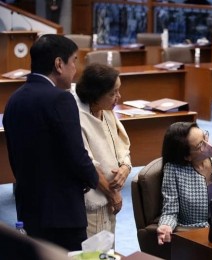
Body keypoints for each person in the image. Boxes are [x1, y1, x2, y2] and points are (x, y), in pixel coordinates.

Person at [2, 34, 98, 251]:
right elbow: (77, 154)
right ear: (58, 64)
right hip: (63, 212)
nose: (76, 68)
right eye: (74, 60)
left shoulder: (14, 99)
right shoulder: (60, 99)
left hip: (28, 207)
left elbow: (15, 158)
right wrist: (94, 181)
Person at [157, 122, 212, 245]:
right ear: (187, 156)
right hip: (195, 234)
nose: (209, 144)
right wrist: (166, 225)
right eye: (200, 145)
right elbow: (170, 211)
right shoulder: (173, 170)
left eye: (205, 136)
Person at [74, 63, 132, 238]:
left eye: (118, 91)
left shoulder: (107, 111)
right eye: (112, 93)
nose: (118, 97)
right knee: (93, 253)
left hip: (109, 199)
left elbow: (122, 147)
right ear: (95, 96)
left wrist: (125, 167)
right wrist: (113, 193)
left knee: (107, 252)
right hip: (92, 201)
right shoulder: (78, 118)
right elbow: (87, 164)